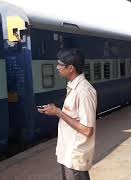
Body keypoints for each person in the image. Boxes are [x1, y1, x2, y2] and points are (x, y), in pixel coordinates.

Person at [38, 48, 97, 180]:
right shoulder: (73, 87)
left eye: (60, 65)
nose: (57, 67)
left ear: (71, 68)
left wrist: (58, 112)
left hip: (75, 156)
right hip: (68, 153)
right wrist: (55, 111)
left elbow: (87, 130)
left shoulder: (84, 91)